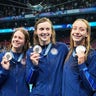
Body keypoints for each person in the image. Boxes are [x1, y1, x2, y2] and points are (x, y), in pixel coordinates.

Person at [26, 17, 68, 96]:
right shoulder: (30, 52)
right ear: (36, 32)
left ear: (52, 31)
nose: (45, 32)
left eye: (47, 29)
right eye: (41, 29)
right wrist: (35, 66)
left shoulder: (62, 48)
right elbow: (29, 81)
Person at [62, 18, 96, 96]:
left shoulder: (92, 55)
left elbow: (93, 86)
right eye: (74, 28)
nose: (77, 32)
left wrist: (82, 64)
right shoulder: (68, 53)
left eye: (81, 29)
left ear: (87, 34)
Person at [0, 27, 30, 96]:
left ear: (25, 42)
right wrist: (4, 71)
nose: (16, 39)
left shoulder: (28, 58)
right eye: (15, 37)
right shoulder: (2, 57)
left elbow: (32, 81)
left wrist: (34, 67)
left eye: (20, 38)